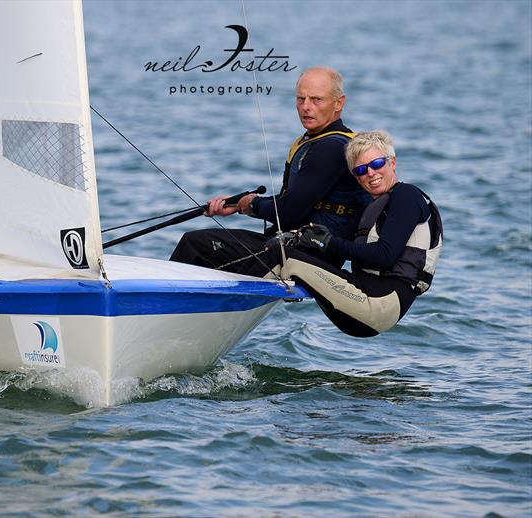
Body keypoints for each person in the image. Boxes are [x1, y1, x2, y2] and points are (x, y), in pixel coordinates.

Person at [170, 67, 371, 276]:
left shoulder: (329, 148)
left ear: (339, 103)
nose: (306, 107)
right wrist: (237, 205)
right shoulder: (322, 141)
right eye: (301, 99)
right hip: (292, 247)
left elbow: (290, 211)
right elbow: (297, 202)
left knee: (195, 244)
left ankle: (165, 296)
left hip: (305, 255)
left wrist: (252, 204)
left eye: (316, 100)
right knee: (209, 247)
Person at [266, 130, 443, 337]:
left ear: (392, 163)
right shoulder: (372, 209)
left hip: (378, 303)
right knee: (287, 250)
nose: (370, 173)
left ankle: (235, 291)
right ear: (357, 178)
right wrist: (303, 239)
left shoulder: (407, 195)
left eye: (377, 164)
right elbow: (342, 250)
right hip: (362, 297)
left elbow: (385, 255)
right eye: (361, 170)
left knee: (284, 257)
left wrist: (327, 242)